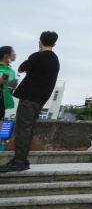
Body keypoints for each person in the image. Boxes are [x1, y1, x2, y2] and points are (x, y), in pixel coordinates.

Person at [0, 31, 60, 172]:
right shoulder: (55, 60)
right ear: (54, 44)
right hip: (41, 99)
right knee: (29, 129)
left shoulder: (37, 56)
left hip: (29, 98)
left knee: (22, 130)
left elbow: (22, 67)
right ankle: (23, 160)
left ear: (40, 41)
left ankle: (18, 161)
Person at [0, 46, 19, 120]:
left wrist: (12, 87)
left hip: (3, 102)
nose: (15, 54)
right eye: (12, 52)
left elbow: (9, 89)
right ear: (6, 55)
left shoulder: (12, 71)